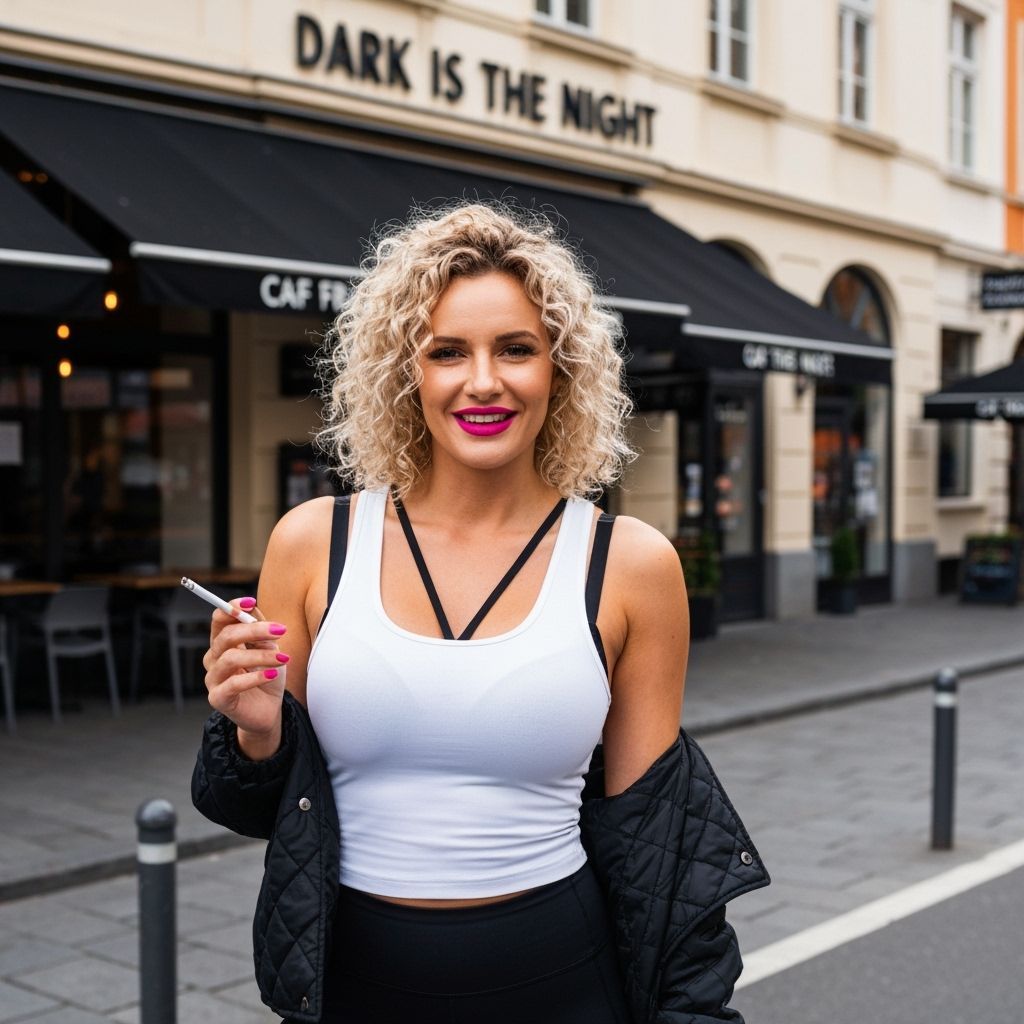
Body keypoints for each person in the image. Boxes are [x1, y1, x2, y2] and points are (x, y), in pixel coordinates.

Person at [192, 202, 768, 1024]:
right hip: (351, 986)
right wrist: (255, 729)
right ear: (406, 371)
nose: (484, 381)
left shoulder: (630, 563)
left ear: (560, 371)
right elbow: (255, 807)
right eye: (448, 352)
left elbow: (659, 853)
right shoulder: (314, 543)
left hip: (562, 982)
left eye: (517, 350)